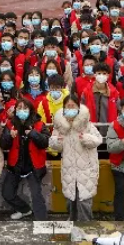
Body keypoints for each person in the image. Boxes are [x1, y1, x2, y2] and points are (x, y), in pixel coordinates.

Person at [49, 93, 102, 221]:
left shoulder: (87, 124)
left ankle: (86, 227)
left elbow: (98, 139)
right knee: (70, 200)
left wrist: (86, 139)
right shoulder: (60, 126)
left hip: (86, 170)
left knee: (84, 202)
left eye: (73, 106)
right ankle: (72, 224)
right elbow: (53, 144)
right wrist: (56, 142)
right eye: (68, 106)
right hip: (69, 170)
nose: (71, 109)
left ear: (78, 108)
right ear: (63, 108)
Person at [0, 98, 51, 221]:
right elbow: (3, 145)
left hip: (34, 166)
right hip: (15, 165)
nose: (22, 111)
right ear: (15, 110)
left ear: (30, 110)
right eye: (19, 108)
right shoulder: (10, 124)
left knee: (36, 195)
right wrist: (9, 136)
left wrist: (33, 133)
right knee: (7, 193)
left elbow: (45, 143)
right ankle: (24, 210)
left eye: (25, 108)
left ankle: (42, 221)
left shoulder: (39, 124)